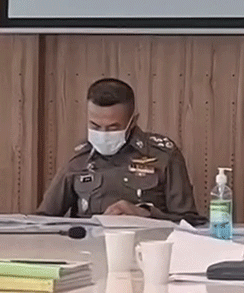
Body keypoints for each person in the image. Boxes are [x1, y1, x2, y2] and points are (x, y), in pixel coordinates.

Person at [37, 78, 204, 223]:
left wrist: (145, 214)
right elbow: (43, 219)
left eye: (113, 127)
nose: (103, 134)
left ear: (133, 121)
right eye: (95, 126)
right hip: (90, 245)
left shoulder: (163, 155)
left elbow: (190, 222)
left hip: (147, 245)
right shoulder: (79, 159)